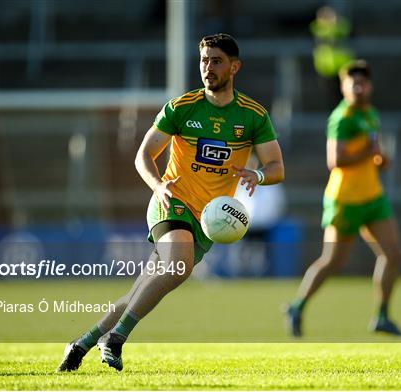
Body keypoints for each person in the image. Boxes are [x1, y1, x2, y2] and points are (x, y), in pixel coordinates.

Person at [57, 33, 284, 372]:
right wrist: (158, 184)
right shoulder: (181, 106)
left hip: (209, 219)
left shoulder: (253, 116)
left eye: (216, 61)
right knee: (179, 264)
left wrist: (258, 176)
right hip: (171, 200)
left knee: (143, 289)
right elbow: (144, 155)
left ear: (235, 67)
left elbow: (276, 167)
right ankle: (117, 338)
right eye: (204, 60)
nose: (208, 67)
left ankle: (81, 344)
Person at [286, 60, 401, 337]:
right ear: (343, 87)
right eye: (352, 83)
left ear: (370, 86)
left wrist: (381, 158)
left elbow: (373, 154)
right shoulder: (342, 118)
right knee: (332, 261)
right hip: (345, 201)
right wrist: (369, 152)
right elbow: (335, 160)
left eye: (362, 82)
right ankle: (297, 306)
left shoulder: (370, 114)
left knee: (394, 254)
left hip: (373, 197)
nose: (358, 87)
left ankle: (382, 316)